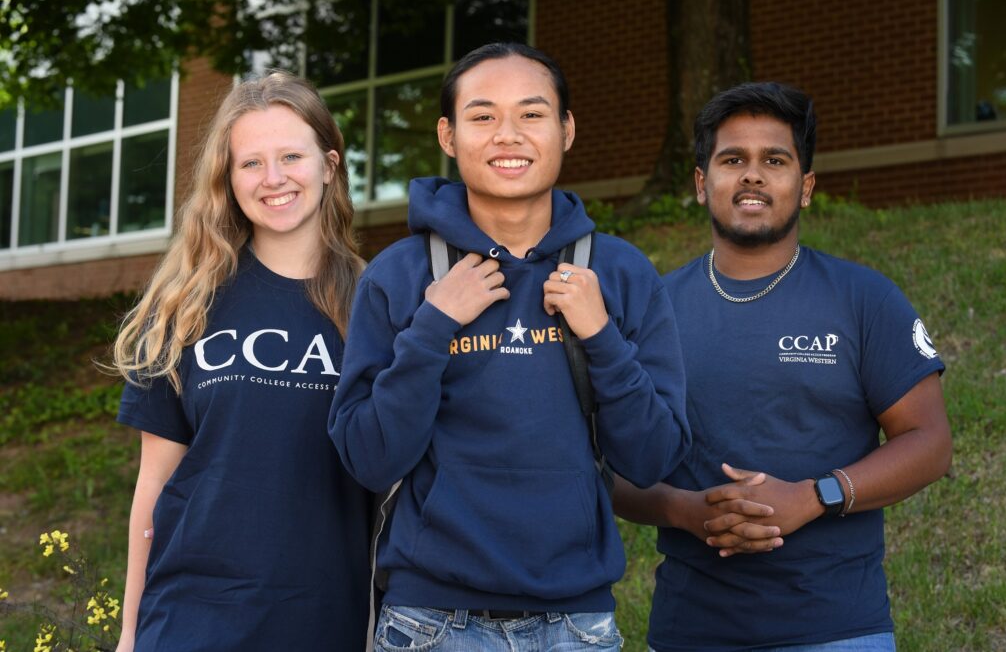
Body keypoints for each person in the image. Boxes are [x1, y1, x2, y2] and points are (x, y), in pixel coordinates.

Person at [329, 42, 691, 651]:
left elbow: (655, 457)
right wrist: (433, 325)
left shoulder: (621, 274)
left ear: (567, 129)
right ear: (448, 135)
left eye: (531, 113)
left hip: (577, 625)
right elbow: (369, 458)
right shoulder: (397, 277)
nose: (508, 135)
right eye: (482, 116)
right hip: (429, 622)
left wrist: (600, 335)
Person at [614, 82, 953, 652]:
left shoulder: (863, 298)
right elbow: (606, 460)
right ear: (702, 184)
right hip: (689, 629)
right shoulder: (651, 311)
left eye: (775, 160)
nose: (752, 175)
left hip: (838, 628)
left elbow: (930, 442)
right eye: (732, 160)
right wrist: (683, 509)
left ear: (806, 187)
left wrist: (813, 496)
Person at [112, 72, 369, 651]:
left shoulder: (379, 304)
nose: (273, 178)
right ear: (228, 180)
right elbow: (154, 482)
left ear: (329, 164)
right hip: (192, 619)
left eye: (291, 156)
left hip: (328, 619)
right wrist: (130, 635)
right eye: (250, 163)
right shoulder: (184, 302)